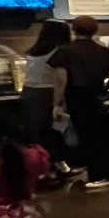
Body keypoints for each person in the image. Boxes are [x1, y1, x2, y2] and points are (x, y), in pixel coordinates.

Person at [48, 15, 109, 189]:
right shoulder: (103, 50)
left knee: (86, 137)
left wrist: (57, 104)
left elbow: (61, 80)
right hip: (98, 98)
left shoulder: (65, 51)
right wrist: (104, 93)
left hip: (77, 97)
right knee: (102, 136)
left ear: (73, 29)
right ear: (95, 30)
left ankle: (96, 175)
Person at [20, 19, 73, 170]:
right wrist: (58, 104)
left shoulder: (33, 51)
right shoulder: (59, 52)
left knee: (35, 131)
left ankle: (41, 166)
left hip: (28, 93)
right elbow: (60, 81)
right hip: (46, 93)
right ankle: (59, 165)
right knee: (52, 130)